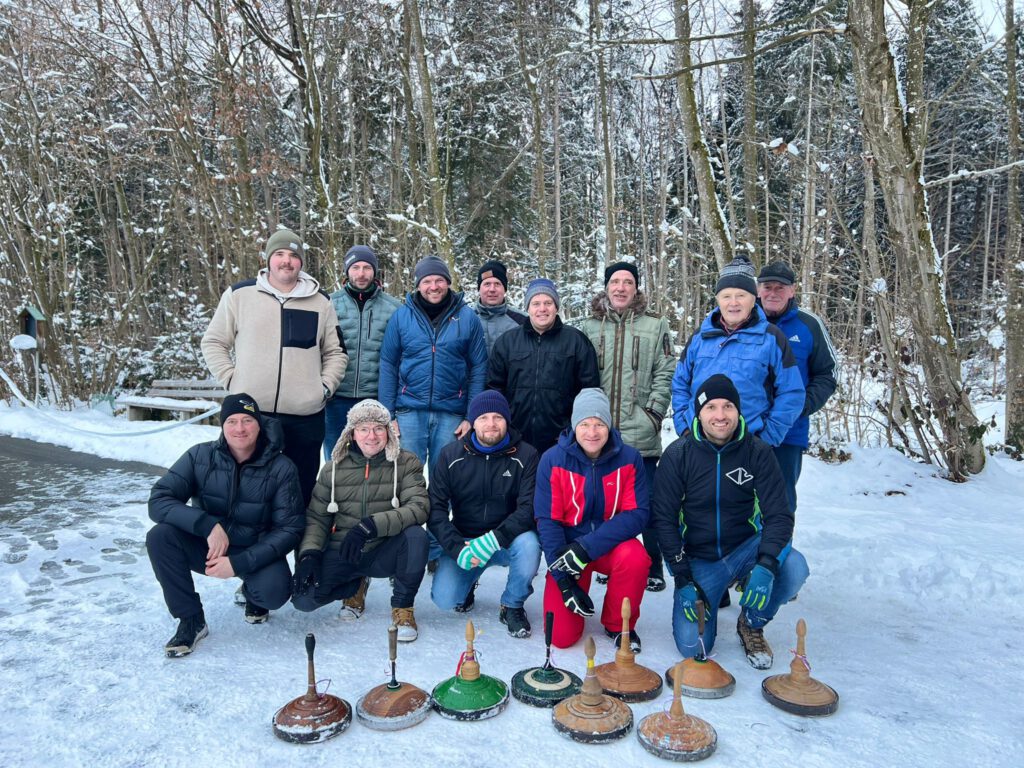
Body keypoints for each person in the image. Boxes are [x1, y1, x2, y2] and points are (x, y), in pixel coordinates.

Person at [653, 374, 809, 669]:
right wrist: (682, 576)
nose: (720, 415)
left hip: (746, 549)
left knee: (794, 567)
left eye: (728, 406)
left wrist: (766, 565)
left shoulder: (758, 452)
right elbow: (663, 519)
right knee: (692, 647)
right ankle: (710, 595)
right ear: (699, 413)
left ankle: (752, 621)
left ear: (738, 410)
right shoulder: (678, 455)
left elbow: (779, 515)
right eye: (711, 407)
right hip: (700, 560)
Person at [147, 394, 304, 657]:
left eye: (247, 420)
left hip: (254, 550)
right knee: (160, 536)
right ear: (222, 425)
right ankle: (191, 619)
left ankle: (252, 594)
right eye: (232, 421)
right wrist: (207, 525)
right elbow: (158, 500)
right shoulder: (200, 455)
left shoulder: (282, 468)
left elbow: (290, 529)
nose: (239, 428)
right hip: (210, 547)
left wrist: (239, 563)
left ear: (259, 425)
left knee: (274, 593)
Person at [201, 228, 348, 508]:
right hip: (253, 413)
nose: (286, 261)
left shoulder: (321, 302)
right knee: (247, 491)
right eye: (279, 254)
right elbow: (213, 342)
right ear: (268, 259)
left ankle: (297, 537)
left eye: (293, 255)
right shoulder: (239, 295)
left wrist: (324, 388)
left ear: (301, 262)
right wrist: (232, 380)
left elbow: (336, 352)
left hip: (305, 415)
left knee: (299, 492)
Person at [291, 399, 429, 641]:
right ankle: (355, 585)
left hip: (384, 549)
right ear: (352, 433)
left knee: (416, 536)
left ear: (388, 432)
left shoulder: (406, 462)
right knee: (304, 599)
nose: (371, 436)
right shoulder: (333, 468)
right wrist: (309, 554)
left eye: (378, 428)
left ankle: (403, 607)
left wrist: (371, 526)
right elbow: (317, 518)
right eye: (363, 429)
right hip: (346, 550)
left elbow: (418, 507)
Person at [582, 261, 675, 592]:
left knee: (646, 501)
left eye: (628, 282)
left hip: (640, 429)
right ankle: (609, 559)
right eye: (615, 282)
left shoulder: (655, 325)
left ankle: (653, 563)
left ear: (636, 289)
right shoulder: (589, 326)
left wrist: (653, 414)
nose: (621, 288)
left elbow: (666, 371)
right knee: (605, 501)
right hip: (599, 433)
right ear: (606, 287)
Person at [534, 388, 650, 652]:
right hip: (568, 552)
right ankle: (570, 597)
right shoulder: (552, 460)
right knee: (560, 637)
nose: (592, 432)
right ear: (574, 426)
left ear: (609, 426)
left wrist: (587, 547)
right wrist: (563, 581)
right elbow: (547, 520)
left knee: (635, 556)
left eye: (599, 424)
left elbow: (638, 513)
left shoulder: (629, 458)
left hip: (611, 545)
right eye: (585, 424)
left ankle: (619, 624)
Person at [428, 390, 541, 637]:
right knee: (445, 599)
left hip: (506, 540)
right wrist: (456, 548)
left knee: (530, 544)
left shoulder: (527, 455)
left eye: (498, 417)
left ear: (507, 421)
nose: (491, 424)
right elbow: (435, 508)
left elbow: (528, 509)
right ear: (473, 422)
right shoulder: (450, 455)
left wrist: (492, 540)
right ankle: (467, 582)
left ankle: (512, 605)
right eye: (483, 418)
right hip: (466, 541)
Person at [671, 254, 804, 448]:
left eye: (741, 296)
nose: (733, 303)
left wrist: (766, 439)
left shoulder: (771, 338)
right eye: (726, 296)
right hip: (699, 443)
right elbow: (680, 383)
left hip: (749, 445)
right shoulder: (700, 337)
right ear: (718, 299)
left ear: (753, 299)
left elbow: (791, 392)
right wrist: (684, 428)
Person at [377, 255, 488, 471]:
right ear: (418, 285)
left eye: (439, 280)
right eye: (427, 281)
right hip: (409, 411)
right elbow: (388, 364)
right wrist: (388, 414)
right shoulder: (401, 317)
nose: (434, 287)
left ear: (448, 282)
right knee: (407, 475)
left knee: (445, 476)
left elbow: (478, 367)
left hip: (451, 414)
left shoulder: (467, 318)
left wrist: (471, 416)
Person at [757, 261, 838, 513]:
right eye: (767, 287)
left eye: (780, 288)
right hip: (745, 429)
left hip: (788, 434)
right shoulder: (742, 320)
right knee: (738, 502)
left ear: (792, 290)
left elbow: (827, 373)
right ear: (758, 289)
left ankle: (778, 540)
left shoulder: (808, 325)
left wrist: (801, 406)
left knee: (779, 503)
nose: (773, 293)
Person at [488, 278, 600, 454]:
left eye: (548, 303)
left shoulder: (576, 341)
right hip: (516, 437)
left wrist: (572, 429)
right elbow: (494, 388)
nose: (542, 309)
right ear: (528, 308)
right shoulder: (507, 342)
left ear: (556, 307)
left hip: (561, 439)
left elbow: (589, 390)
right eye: (536, 303)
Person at [323, 245, 402, 460]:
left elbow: (398, 355)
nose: (361, 273)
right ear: (347, 270)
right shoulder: (328, 304)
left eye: (367, 267)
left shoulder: (393, 308)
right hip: (336, 398)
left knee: (374, 457)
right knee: (336, 457)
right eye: (355, 267)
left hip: (374, 397)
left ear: (374, 271)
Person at [474, 259, 527, 355]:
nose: (492, 289)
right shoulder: (465, 320)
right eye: (487, 284)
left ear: (504, 289)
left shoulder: (523, 321)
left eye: (497, 284)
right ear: (479, 288)